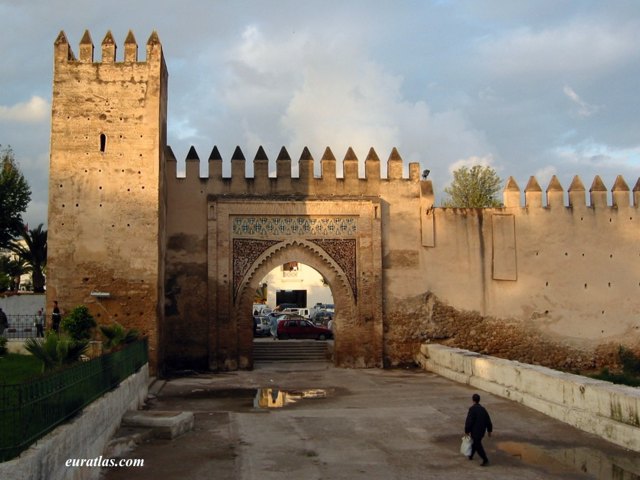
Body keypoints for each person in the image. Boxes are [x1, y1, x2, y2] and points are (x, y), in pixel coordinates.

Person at [464, 393, 493, 466]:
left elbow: (469, 421)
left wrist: (467, 431)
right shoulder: (483, 409)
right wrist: (489, 430)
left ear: (473, 400)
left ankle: (485, 459)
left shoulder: (472, 409)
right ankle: (470, 455)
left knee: (477, 445)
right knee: (475, 442)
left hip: (475, 431)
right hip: (482, 430)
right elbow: (488, 420)